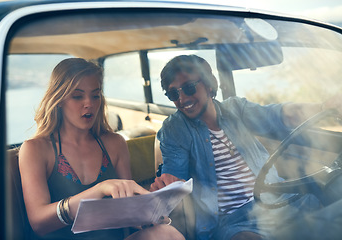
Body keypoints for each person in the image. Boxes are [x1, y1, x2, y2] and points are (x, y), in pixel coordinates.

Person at [150, 55, 341, 240]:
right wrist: (166, 188)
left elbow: (280, 115)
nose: (182, 99)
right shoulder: (174, 129)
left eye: (189, 88)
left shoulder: (236, 109)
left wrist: (324, 107)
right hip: (233, 221)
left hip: (276, 201)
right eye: (174, 93)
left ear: (209, 84)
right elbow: (175, 180)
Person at [19, 58, 185, 240]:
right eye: (77, 96)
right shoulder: (35, 149)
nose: (89, 103)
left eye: (95, 95)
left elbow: (128, 212)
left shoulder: (115, 143)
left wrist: (152, 207)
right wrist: (100, 189)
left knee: (167, 233)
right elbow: (38, 224)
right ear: (58, 100)